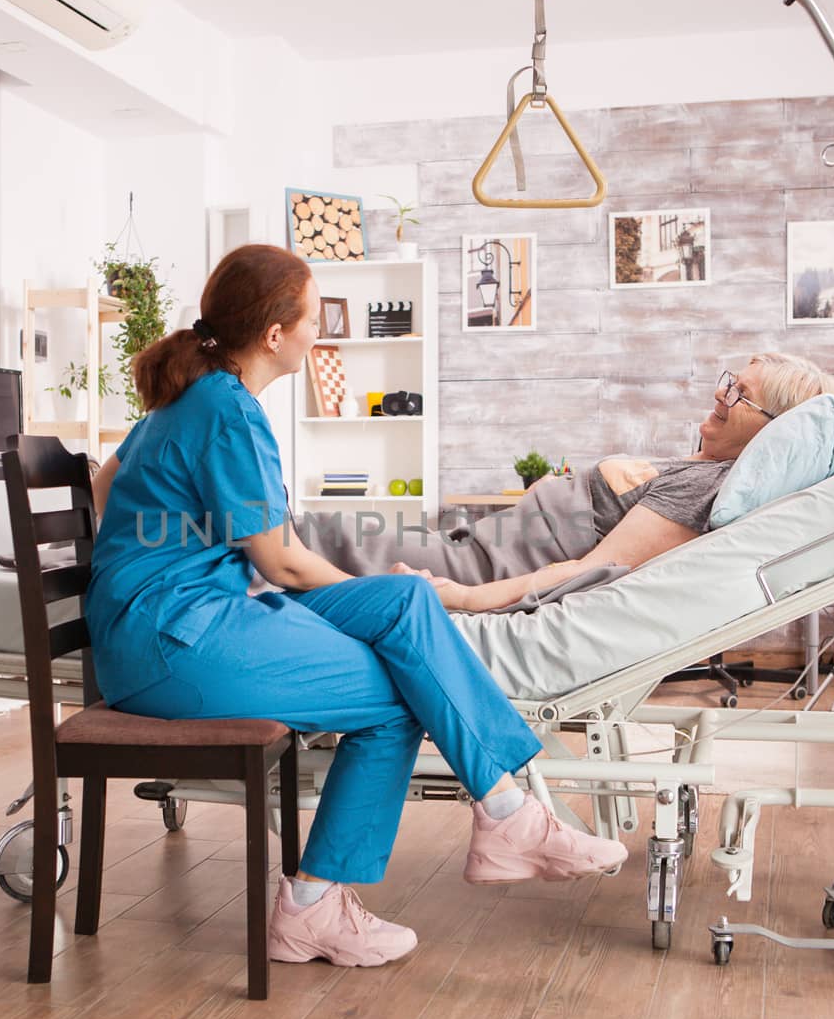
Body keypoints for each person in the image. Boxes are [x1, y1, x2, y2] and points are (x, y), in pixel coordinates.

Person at [85, 244, 627, 969]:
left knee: (404, 598)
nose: (320, 334)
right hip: (174, 643)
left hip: (176, 623)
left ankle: (506, 814)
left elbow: (103, 488)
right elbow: (276, 559)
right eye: (313, 318)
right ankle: (323, 903)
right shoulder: (227, 409)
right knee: (403, 693)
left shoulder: (191, 395)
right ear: (275, 335)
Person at [298, 353, 834, 612]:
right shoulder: (700, 469)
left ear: (771, 432)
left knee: (316, 538)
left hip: (479, 567)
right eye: (729, 383)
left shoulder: (701, 491)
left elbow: (592, 570)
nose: (719, 395)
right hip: (477, 544)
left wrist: (465, 598)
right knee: (308, 536)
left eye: (739, 395)